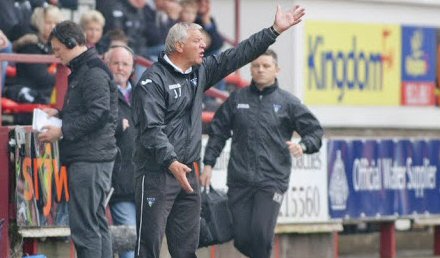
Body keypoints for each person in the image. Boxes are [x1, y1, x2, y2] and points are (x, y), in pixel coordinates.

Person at [131, 4, 305, 258]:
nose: (204, 45)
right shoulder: (152, 81)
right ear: (179, 46)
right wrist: (171, 161)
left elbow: (237, 55)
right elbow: (151, 130)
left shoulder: (199, 72)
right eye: (197, 41)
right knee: (148, 247)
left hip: (189, 172)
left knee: (186, 249)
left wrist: (274, 30)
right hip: (158, 172)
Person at [200, 49, 323, 258]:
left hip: (271, 180)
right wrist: (209, 164)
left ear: (277, 70)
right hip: (240, 180)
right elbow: (218, 131)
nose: (260, 70)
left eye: (266, 66)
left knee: (261, 233)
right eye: (256, 66)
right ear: (250, 69)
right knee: (241, 237)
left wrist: (303, 145)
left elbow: (315, 132)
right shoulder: (237, 99)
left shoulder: (288, 102)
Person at [37, 20, 118, 258]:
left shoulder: (92, 71)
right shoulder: (86, 69)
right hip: (92, 157)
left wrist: (61, 130)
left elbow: (98, 114)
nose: (55, 54)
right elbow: (91, 111)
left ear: (71, 43)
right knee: (95, 223)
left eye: (57, 48)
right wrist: (60, 115)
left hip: (90, 158)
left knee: (85, 228)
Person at [105, 45, 137, 258]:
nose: (120, 68)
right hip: (119, 183)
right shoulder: (102, 92)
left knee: (143, 242)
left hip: (145, 184)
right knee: (128, 245)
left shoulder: (144, 94)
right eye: (115, 63)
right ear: (107, 65)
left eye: (125, 64)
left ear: (132, 68)